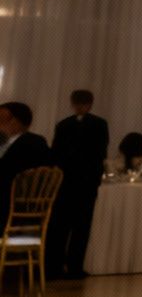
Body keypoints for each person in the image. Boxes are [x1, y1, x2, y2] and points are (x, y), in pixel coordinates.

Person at [46, 90, 108, 279]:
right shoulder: (65, 125)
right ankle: (55, 266)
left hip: (84, 182)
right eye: (78, 103)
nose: (80, 107)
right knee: (62, 226)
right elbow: (56, 152)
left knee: (80, 226)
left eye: (84, 103)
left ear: (90, 104)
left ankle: (74, 266)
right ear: (73, 104)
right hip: (69, 182)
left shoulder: (98, 124)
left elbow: (100, 151)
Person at [0, 102, 53, 226]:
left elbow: (13, 173)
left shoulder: (34, 142)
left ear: (16, 121)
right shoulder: (4, 142)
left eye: (2, 118)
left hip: (14, 202)